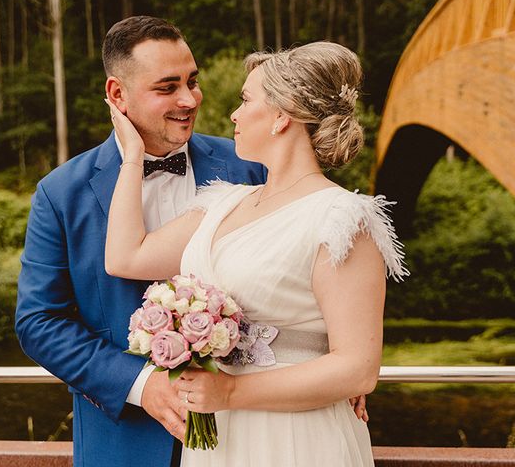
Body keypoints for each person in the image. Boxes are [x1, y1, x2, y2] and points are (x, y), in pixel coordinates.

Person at [104, 41, 408, 466]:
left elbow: (358, 368)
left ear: (283, 115)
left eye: (246, 100)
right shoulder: (223, 203)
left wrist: (229, 392)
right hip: (221, 440)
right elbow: (124, 257)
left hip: (296, 439)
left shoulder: (341, 219)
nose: (233, 114)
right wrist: (132, 157)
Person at [14, 16, 266, 466]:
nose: (189, 100)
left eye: (193, 81)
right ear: (117, 94)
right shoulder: (61, 193)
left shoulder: (250, 166)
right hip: (123, 444)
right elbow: (40, 322)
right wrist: (140, 384)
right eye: (167, 87)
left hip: (252, 429)